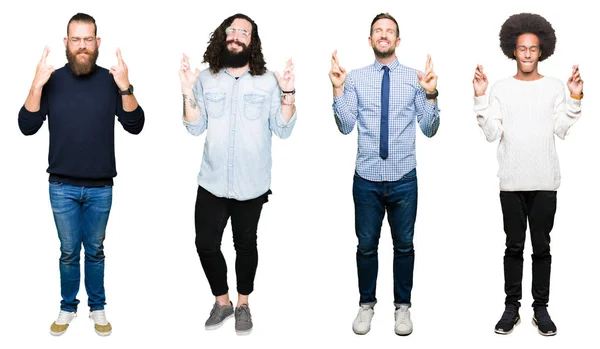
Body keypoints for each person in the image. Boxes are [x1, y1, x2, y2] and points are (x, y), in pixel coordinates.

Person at [18, 13, 145, 337]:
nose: (82, 46)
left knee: (97, 249)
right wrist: (36, 83)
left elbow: (135, 125)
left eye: (88, 39)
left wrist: (126, 86)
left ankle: (98, 308)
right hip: (61, 187)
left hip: (101, 187)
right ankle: (67, 307)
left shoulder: (111, 80)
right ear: (66, 43)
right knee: (68, 251)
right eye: (76, 39)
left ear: (97, 43)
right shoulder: (52, 79)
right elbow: (27, 126)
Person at [179, 13, 297, 335]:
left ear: (251, 41)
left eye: (244, 32)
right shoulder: (205, 79)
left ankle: (244, 303)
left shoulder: (269, 81)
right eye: (232, 29)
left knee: (245, 245)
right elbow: (194, 127)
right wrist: (187, 90)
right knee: (205, 243)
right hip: (212, 181)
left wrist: (288, 92)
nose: (237, 35)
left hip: (252, 184)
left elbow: (283, 130)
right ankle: (223, 302)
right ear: (223, 35)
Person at [329, 12, 440, 336]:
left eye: (390, 31)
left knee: (404, 245)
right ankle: (366, 306)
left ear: (398, 40)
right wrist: (337, 89)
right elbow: (346, 126)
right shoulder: (355, 78)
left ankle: (402, 308)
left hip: (404, 178)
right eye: (378, 30)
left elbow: (430, 129)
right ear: (370, 39)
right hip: (366, 179)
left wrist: (431, 93)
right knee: (366, 246)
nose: (384, 35)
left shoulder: (416, 77)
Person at [472, 12, 583, 337]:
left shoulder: (553, 87)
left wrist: (575, 97)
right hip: (511, 182)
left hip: (545, 181)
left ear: (542, 51)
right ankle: (511, 308)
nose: (527, 54)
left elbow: (561, 128)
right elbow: (492, 133)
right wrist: (480, 96)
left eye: (533, 49)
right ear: (513, 50)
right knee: (513, 247)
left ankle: (541, 309)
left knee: (542, 248)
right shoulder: (501, 89)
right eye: (522, 48)